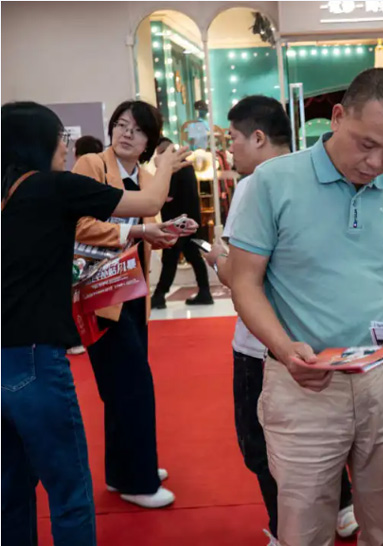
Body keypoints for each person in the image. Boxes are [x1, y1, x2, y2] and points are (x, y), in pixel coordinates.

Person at [228, 68, 383, 546]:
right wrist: (285, 349)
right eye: (366, 144)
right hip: (305, 380)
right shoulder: (272, 182)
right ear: (337, 117)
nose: (376, 162)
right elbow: (244, 282)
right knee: (304, 527)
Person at [1, 101, 188, 546]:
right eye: (60, 138)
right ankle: (132, 477)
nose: (66, 147)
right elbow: (149, 203)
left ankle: (132, 469)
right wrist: (165, 163)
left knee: (12, 487)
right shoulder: (55, 185)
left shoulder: (10, 192)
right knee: (69, 489)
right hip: (38, 354)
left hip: (10, 350)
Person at [201, 95, 359, 544]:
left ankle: (283, 529)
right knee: (321, 432)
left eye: (233, 138)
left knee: (263, 444)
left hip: (263, 345)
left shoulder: (257, 184)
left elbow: (240, 276)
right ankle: (343, 507)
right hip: (317, 338)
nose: (230, 149)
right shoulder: (316, 177)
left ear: (257, 137)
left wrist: (216, 258)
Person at [73, 100, 197, 509]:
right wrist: (141, 231)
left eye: (138, 129)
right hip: (98, 294)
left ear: (148, 141)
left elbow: (143, 234)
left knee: (122, 388)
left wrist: (164, 234)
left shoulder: (145, 178)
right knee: (133, 388)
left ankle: (122, 470)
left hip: (132, 293)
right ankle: (138, 481)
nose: (127, 133)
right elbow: (81, 225)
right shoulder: (92, 165)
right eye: (121, 124)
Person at [150, 137, 213, 309]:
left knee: (170, 259)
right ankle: (204, 291)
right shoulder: (187, 167)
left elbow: (168, 196)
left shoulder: (173, 170)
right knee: (193, 256)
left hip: (177, 223)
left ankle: (160, 295)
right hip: (189, 220)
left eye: (158, 154)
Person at [67, 135, 106, 356]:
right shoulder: (105, 177)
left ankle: (76, 338)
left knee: (74, 293)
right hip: (101, 247)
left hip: (78, 246)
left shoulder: (73, 178)